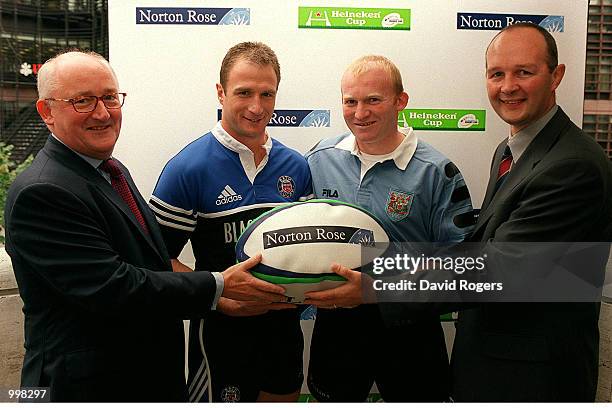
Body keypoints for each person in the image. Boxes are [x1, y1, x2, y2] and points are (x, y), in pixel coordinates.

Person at [4, 50, 288, 402]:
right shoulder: (43, 191)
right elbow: (113, 287)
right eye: (82, 101)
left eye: (109, 97)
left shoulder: (110, 170)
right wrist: (219, 286)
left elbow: (149, 262)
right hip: (86, 388)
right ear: (47, 112)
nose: (102, 112)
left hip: (140, 377)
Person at [450, 23, 612, 401]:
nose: (508, 86)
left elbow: (498, 269)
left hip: (534, 381)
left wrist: (377, 281)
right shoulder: (512, 150)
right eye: (497, 74)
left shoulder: (572, 165)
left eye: (524, 72)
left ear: (556, 76)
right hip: (496, 367)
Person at [303, 55, 475, 401]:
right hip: (337, 332)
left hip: (409, 332)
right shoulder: (319, 159)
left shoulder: (436, 171)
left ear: (401, 101)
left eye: (373, 100)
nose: (360, 112)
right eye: (350, 101)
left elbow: (462, 266)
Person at [148, 42, 312, 402]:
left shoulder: (297, 167)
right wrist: (218, 293)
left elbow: (308, 253)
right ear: (221, 93)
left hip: (284, 335)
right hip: (221, 337)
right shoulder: (188, 168)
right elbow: (153, 259)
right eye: (244, 93)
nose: (257, 106)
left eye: (267, 94)